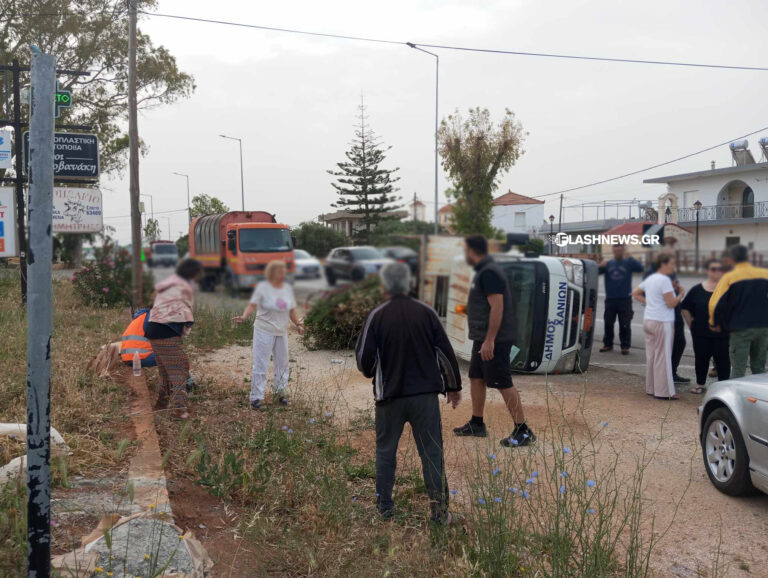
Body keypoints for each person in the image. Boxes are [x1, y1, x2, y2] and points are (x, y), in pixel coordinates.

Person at [356, 262, 462, 523]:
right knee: (431, 453)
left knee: (385, 451)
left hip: (389, 397)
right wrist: (454, 387)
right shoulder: (427, 313)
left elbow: (363, 361)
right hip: (424, 398)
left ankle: (384, 509)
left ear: (384, 286)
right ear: (409, 284)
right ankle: (439, 514)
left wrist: (376, 372)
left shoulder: (376, 316)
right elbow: (446, 354)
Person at [453, 235, 536, 447]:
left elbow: (498, 307)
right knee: (476, 378)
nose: (465, 255)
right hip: (481, 338)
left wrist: (490, 340)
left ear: (472, 251)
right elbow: (486, 303)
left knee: (502, 381)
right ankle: (477, 423)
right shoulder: (485, 270)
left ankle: (523, 430)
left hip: (494, 340)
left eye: (465, 251)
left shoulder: (489, 271)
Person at [233, 260, 303, 409]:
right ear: (272, 273)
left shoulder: (287, 289)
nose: (283, 274)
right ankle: (256, 398)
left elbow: (291, 310)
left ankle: (280, 395)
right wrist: (244, 317)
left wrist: (298, 323)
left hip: (281, 331)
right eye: (280, 271)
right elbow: (252, 305)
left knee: (283, 364)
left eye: (284, 271)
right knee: (261, 364)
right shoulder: (263, 288)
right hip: (263, 330)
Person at [147, 258, 203, 419]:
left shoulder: (168, 283)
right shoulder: (184, 286)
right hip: (167, 330)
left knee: (165, 371)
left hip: (153, 329)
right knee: (179, 370)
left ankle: (161, 404)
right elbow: (187, 312)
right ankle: (181, 410)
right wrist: (184, 332)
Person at [709, 244, 768, 379]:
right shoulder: (765, 274)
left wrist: (714, 322)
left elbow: (715, 303)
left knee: (738, 369)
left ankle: (738, 398)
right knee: (759, 368)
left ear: (731, 260)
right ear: (748, 257)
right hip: (763, 327)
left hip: (740, 328)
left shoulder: (730, 277)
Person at [632, 254, 685, 400]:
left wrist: (649, 302)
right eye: (672, 264)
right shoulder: (665, 280)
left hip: (649, 319)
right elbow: (671, 303)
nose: (673, 267)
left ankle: (651, 387)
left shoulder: (651, 278)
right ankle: (664, 391)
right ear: (663, 264)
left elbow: (635, 293)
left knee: (652, 355)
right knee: (663, 356)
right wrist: (680, 294)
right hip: (662, 321)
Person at [680, 259, 730, 394]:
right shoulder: (697, 290)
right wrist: (691, 326)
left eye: (720, 269)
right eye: (713, 269)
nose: (717, 272)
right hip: (701, 333)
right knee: (701, 359)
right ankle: (700, 384)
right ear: (707, 271)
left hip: (723, 334)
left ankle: (723, 387)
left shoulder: (728, 289)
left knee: (723, 360)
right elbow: (684, 307)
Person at [643, 250, 689, 384]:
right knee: (663, 346)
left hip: (675, 310)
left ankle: (671, 372)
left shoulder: (670, 271)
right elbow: (646, 293)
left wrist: (675, 288)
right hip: (662, 314)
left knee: (679, 342)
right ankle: (661, 376)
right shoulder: (651, 273)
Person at [598, 244, 644, 354]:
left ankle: (625, 346)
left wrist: (631, 257)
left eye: (620, 250)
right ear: (613, 251)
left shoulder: (628, 263)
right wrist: (600, 265)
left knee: (625, 324)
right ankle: (608, 344)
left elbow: (641, 268)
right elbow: (595, 272)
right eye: (616, 250)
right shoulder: (608, 264)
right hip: (610, 299)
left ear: (623, 251)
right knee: (608, 323)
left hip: (625, 300)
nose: (618, 252)